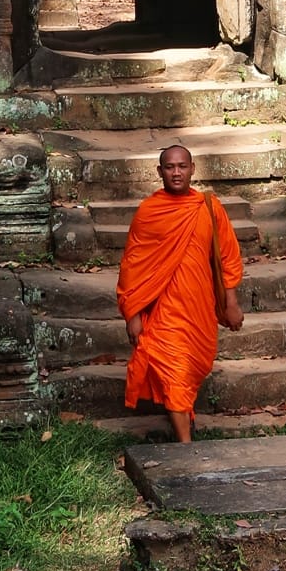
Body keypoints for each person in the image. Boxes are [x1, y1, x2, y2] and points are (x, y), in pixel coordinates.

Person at [117, 142, 244, 441]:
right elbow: (132, 266)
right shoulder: (149, 212)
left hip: (199, 307)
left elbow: (227, 257)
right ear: (160, 171)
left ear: (192, 169)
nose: (176, 173)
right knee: (174, 369)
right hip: (163, 311)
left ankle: (184, 421)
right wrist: (132, 314)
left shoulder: (209, 208)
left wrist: (231, 302)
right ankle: (185, 444)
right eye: (170, 167)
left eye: (182, 166)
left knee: (191, 367)